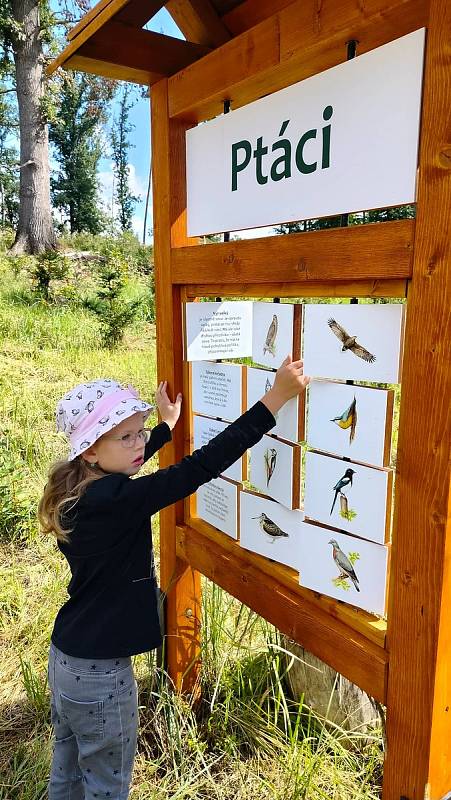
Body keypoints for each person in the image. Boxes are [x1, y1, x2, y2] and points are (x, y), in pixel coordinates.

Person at [38, 356, 309, 800]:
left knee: (67, 773)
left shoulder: (80, 487)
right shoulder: (116, 499)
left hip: (67, 659)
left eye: (139, 434)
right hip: (103, 677)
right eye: (126, 436)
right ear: (90, 450)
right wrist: (274, 399)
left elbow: (129, 468)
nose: (138, 444)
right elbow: (197, 468)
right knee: (106, 786)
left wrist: (162, 428)